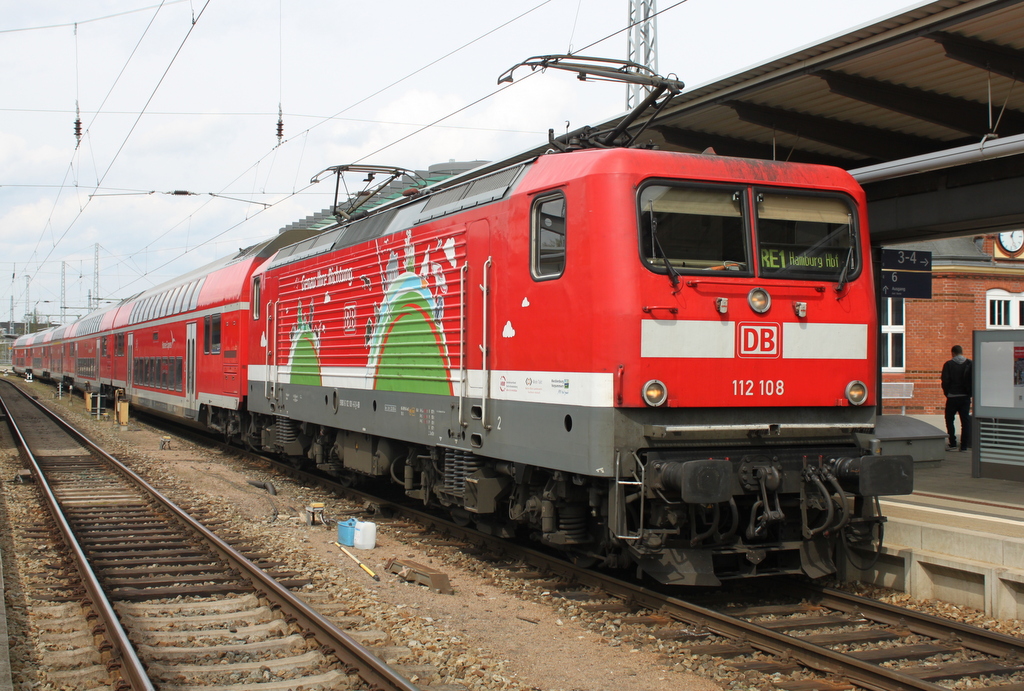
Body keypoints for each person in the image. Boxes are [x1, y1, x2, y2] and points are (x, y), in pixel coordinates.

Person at [941, 345, 973, 451]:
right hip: (965, 397)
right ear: (961, 352)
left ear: (953, 353)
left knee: (949, 419)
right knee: (965, 421)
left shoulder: (948, 364)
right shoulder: (970, 363)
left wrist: (947, 393)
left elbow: (945, 381)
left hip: (952, 396)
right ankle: (964, 446)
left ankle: (953, 443)